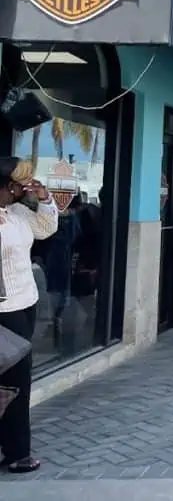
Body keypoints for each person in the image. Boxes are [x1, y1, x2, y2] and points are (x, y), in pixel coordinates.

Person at [0, 157, 59, 473]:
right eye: (21, 184)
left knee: (16, 383)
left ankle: (13, 449)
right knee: (14, 382)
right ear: (8, 186)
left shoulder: (18, 212)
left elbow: (47, 228)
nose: (26, 188)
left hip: (25, 304)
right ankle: (18, 453)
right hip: (3, 311)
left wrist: (45, 199)